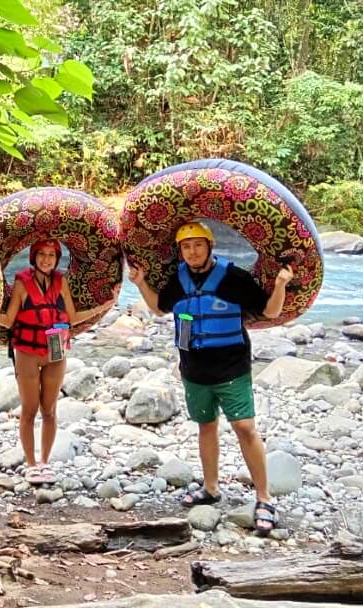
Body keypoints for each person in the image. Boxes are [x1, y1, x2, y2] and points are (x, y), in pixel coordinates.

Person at [127, 221, 293, 535]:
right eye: (186, 247)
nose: (192, 252)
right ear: (180, 251)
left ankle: (264, 497)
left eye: (198, 245)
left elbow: (270, 311)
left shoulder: (234, 277)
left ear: (209, 247)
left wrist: (281, 283)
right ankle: (211, 488)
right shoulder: (177, 280)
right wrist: (139, 283)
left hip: (232, 366)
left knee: (245, 427)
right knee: (206, 425)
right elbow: (159, 309)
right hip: (194, 367)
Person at [0, 239, 116, 484]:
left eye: (52, 255)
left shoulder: (61, 282)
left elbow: (71, 317)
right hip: (27, 353)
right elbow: (8, 320)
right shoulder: (22, 283)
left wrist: (105, 306)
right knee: (29, 410)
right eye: (42, 254)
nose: (47, 259)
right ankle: (30, 464)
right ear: (34, 257)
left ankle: (45, 463)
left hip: (56, 354)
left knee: (49, 410)